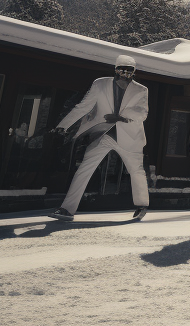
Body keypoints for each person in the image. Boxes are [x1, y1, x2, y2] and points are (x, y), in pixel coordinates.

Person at [47, 54, 149, 222]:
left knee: (136, 171)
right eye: (122, 70)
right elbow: (83, 107)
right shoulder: (100, 84)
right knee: (84, 168)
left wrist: (119, 116)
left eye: (130, 71)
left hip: (130, 137)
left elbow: (142, 113)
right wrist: (63, 125)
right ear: (115, 69)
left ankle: (142, 205)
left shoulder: (141, 90)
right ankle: (67, 209)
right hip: (102, 134)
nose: (125, 74)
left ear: (134, 72)